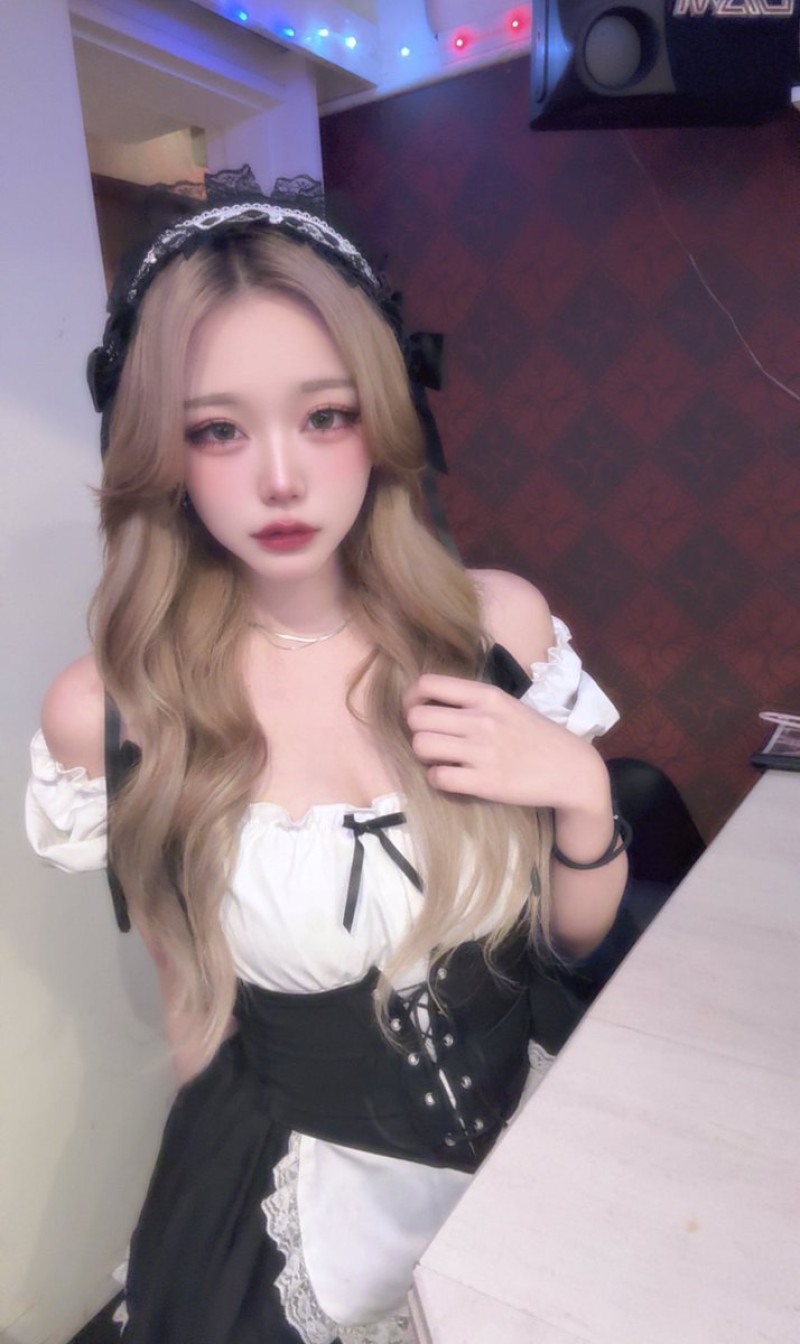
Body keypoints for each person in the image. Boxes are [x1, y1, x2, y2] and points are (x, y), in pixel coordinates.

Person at [26, 199, 628, 1344]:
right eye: (217, 430)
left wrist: (580, 790)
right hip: (306, 1214)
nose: (281, 478)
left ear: (381, 419)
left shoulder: (494, 631)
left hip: (542, 1144)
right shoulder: (113, 712)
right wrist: (200, 1223)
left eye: (324, 416)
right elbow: (192, 1004)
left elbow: (570, 938)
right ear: (160, 450)